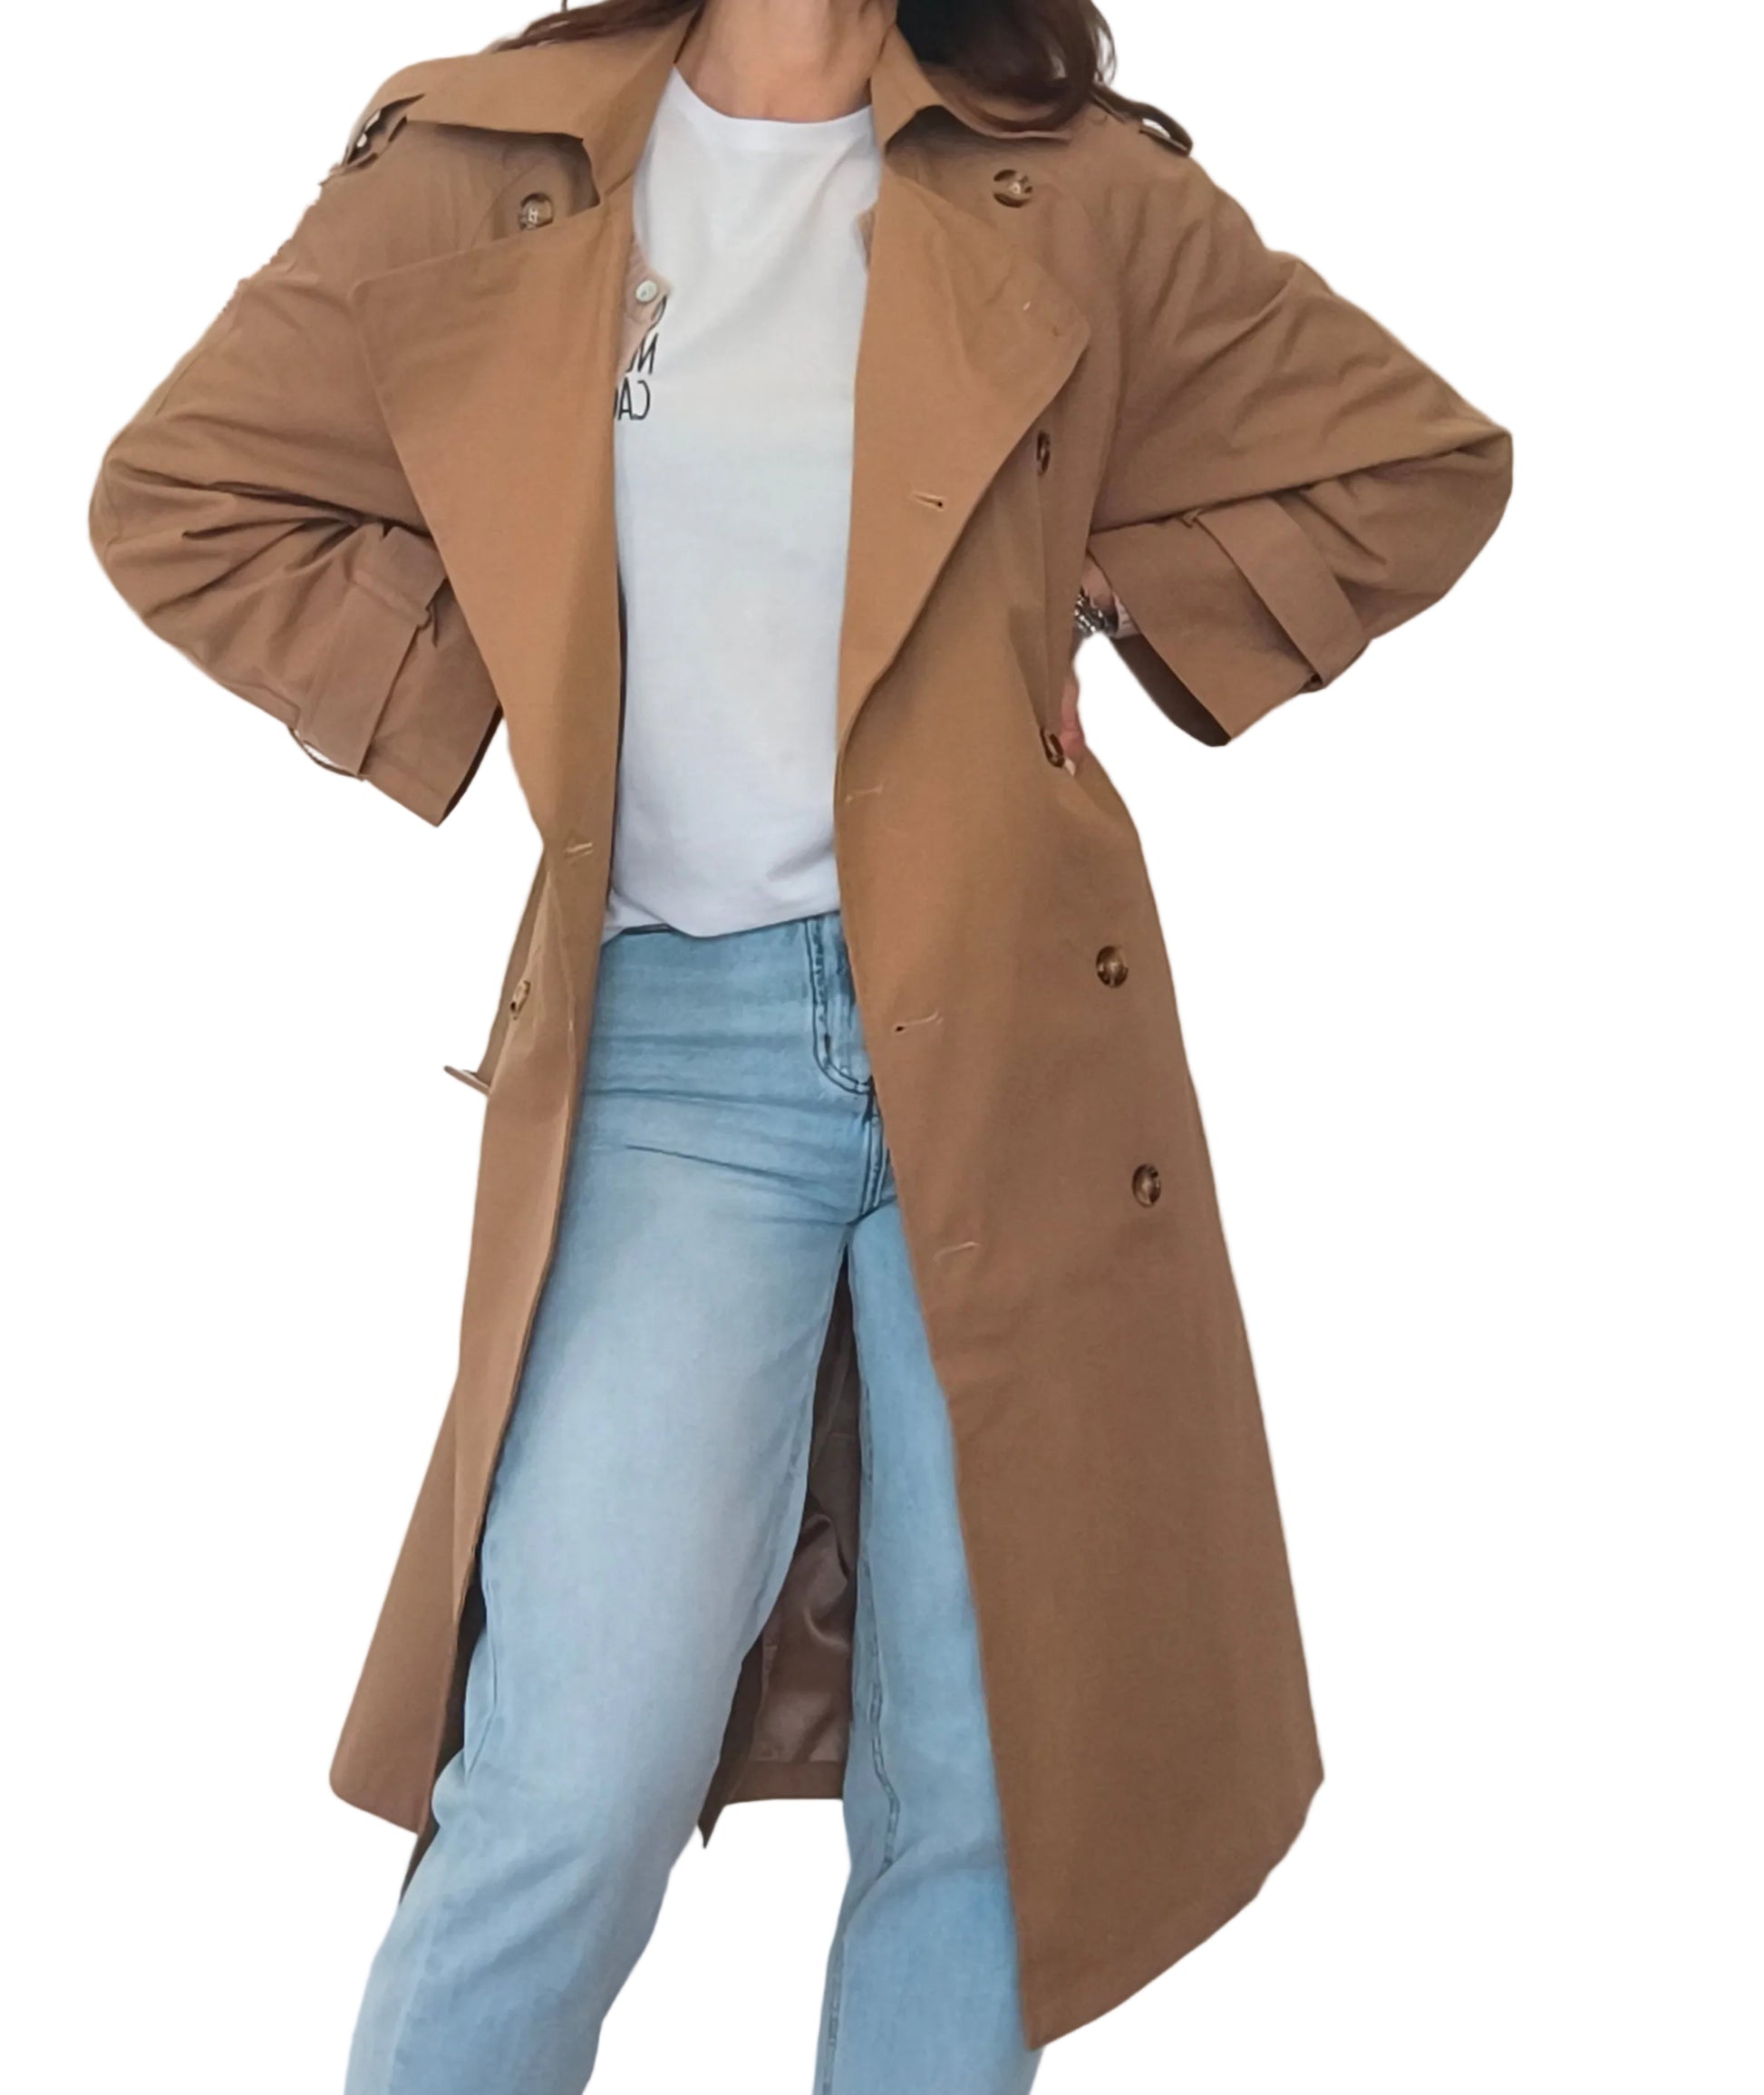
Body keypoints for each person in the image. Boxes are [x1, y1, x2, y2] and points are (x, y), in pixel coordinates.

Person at [86, 1, 1513, 2088]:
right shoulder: (487, 164)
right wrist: (493, 672)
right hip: (673, 1043)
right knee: (563, 1780)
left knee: (985, 1797)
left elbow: (1419, 461)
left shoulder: (1068, 181)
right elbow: (184, 492)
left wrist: (1090, 596)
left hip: (1016, 1040)